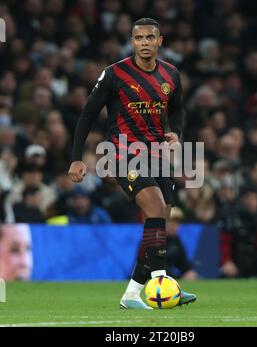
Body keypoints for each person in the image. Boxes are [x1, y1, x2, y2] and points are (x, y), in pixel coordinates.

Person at [68, 18, 196, 309]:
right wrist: (76, 157)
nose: (145, 43)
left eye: (150, 37)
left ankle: (130, 295)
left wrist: (176, 132)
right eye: (139, 38)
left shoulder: (171, 74)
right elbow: (87, 114)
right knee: (154, 208)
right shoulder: (115, 74)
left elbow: (178, 111)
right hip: (123, 153)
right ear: (132, 41)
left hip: (159, 155)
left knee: (159, 219)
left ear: (160, 41)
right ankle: (164, 286)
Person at [166, 207, 198, 280]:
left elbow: (183, 263)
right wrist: (179, 278)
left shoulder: (176, 241)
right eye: (171, 221)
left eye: (177, 222)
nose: (174, 225)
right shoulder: (155, 240)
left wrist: (189, 271)